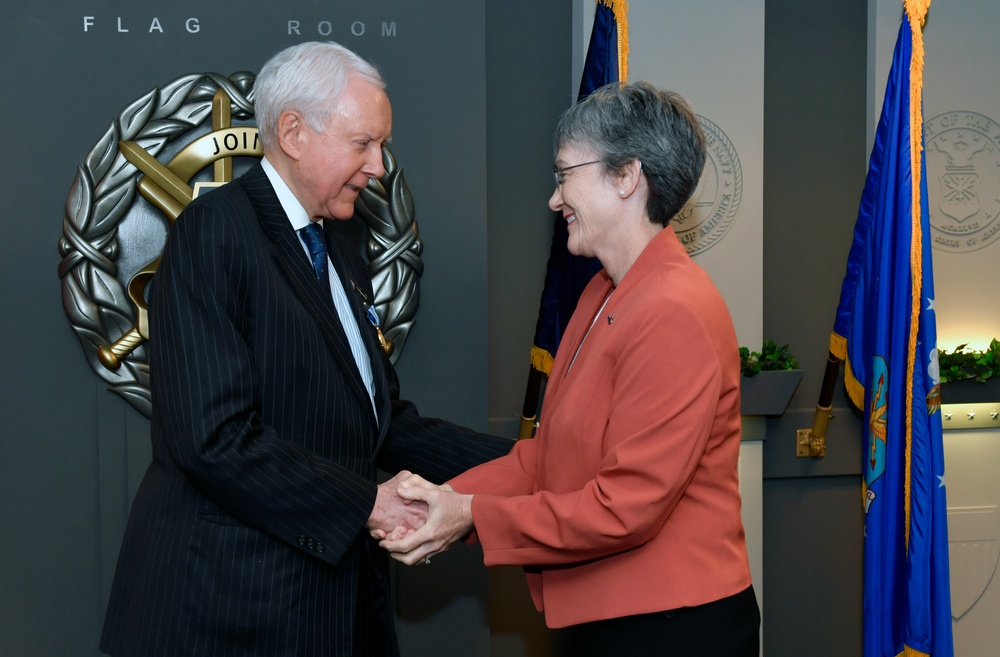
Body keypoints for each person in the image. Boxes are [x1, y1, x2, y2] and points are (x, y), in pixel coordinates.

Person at [99, 41, 513, 657]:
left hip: (330, 606)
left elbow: (376, 424)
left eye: (382, 145)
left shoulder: (341, 242)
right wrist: (371, 504)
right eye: (363, 143)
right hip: (231, 610)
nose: (379, 165)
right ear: (292, 132)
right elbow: (211, 438)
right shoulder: (216, 233)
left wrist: (529, 462)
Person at [379, 81, 761, 656]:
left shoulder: (672, 310)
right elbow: (546, 457)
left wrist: (470, 514)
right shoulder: (604, 292)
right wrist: (440, 502)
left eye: (564, 175)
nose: (555, 200)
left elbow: (623, 507)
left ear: (627, 177)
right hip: (612, 617)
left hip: (671, 628)